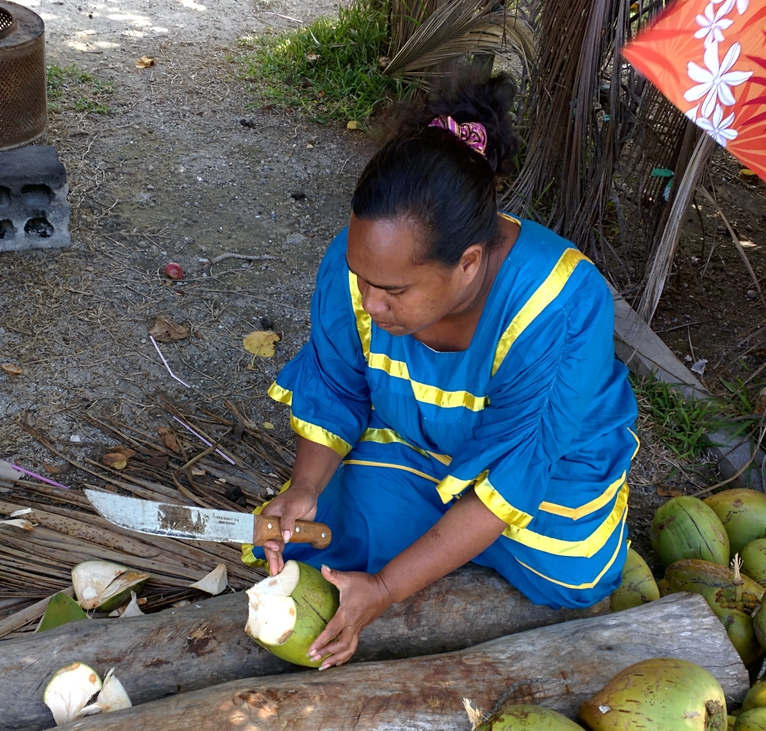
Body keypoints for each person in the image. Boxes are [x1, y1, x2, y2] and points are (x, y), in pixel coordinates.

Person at [248, 66, 639, 670]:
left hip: (546, 478)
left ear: (469, 263)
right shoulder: (362, 266)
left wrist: (385, 590)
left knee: (570, 571)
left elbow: (515, 472)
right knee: (311, 532)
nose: (372, 304)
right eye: (363, 280)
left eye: (395, 292)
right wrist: (304, 488)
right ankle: (415, 519)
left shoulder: (557, 302)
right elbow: (333, 386)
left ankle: (426, 539)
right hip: (423, 451)